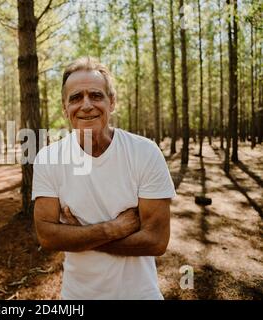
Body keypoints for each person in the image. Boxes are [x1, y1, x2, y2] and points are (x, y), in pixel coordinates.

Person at [32, 57, 176, 300]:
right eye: (76, 97)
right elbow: (47, 235)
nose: (86, 105)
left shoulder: (145, 152)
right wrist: (113, 228)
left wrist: (81, 236)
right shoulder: (48, 158)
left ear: (112, 102)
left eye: (96, 96)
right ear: (64, 107)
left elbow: (156, 241)